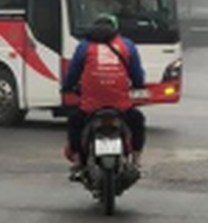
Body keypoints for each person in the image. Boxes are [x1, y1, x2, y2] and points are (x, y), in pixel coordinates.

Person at [62, 14, 146, 179]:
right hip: (121, 106)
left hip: (90, 107)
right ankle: (136, 161)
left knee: (74, 122)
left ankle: (78, 161)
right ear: (115, 29)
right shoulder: (127, 45)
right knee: (137, 121)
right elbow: (137, 75)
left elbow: (72, 73)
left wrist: (67, 87)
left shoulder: (84, 46)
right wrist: (138, 85)